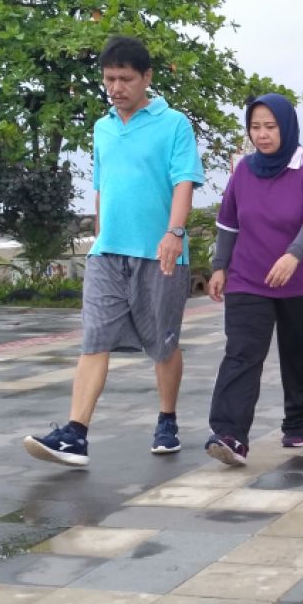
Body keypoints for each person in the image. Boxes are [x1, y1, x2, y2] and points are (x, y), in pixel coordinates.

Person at [24, 35, 204, 467]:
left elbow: (184, 180)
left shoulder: (174, 123)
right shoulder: (102, 126)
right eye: (109, 79)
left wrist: (174, 233)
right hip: (107, 255)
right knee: (94, 340)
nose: (116, 87)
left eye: (125, 78)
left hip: (159, 252)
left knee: (163, 345)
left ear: (147, 78)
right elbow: (102, 187)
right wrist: (99, 239)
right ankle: (76, 434)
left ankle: (167, 418)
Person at [203, 94, 303, 465]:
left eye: (270, 127)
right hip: (248, 279)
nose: (262, 135)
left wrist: (294, 254)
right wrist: (219, 266)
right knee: (241, 353)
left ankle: (299, 419)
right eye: (255, 127)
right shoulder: (243, 171)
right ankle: (229, 434)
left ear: (286, 127)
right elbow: (229, 223)